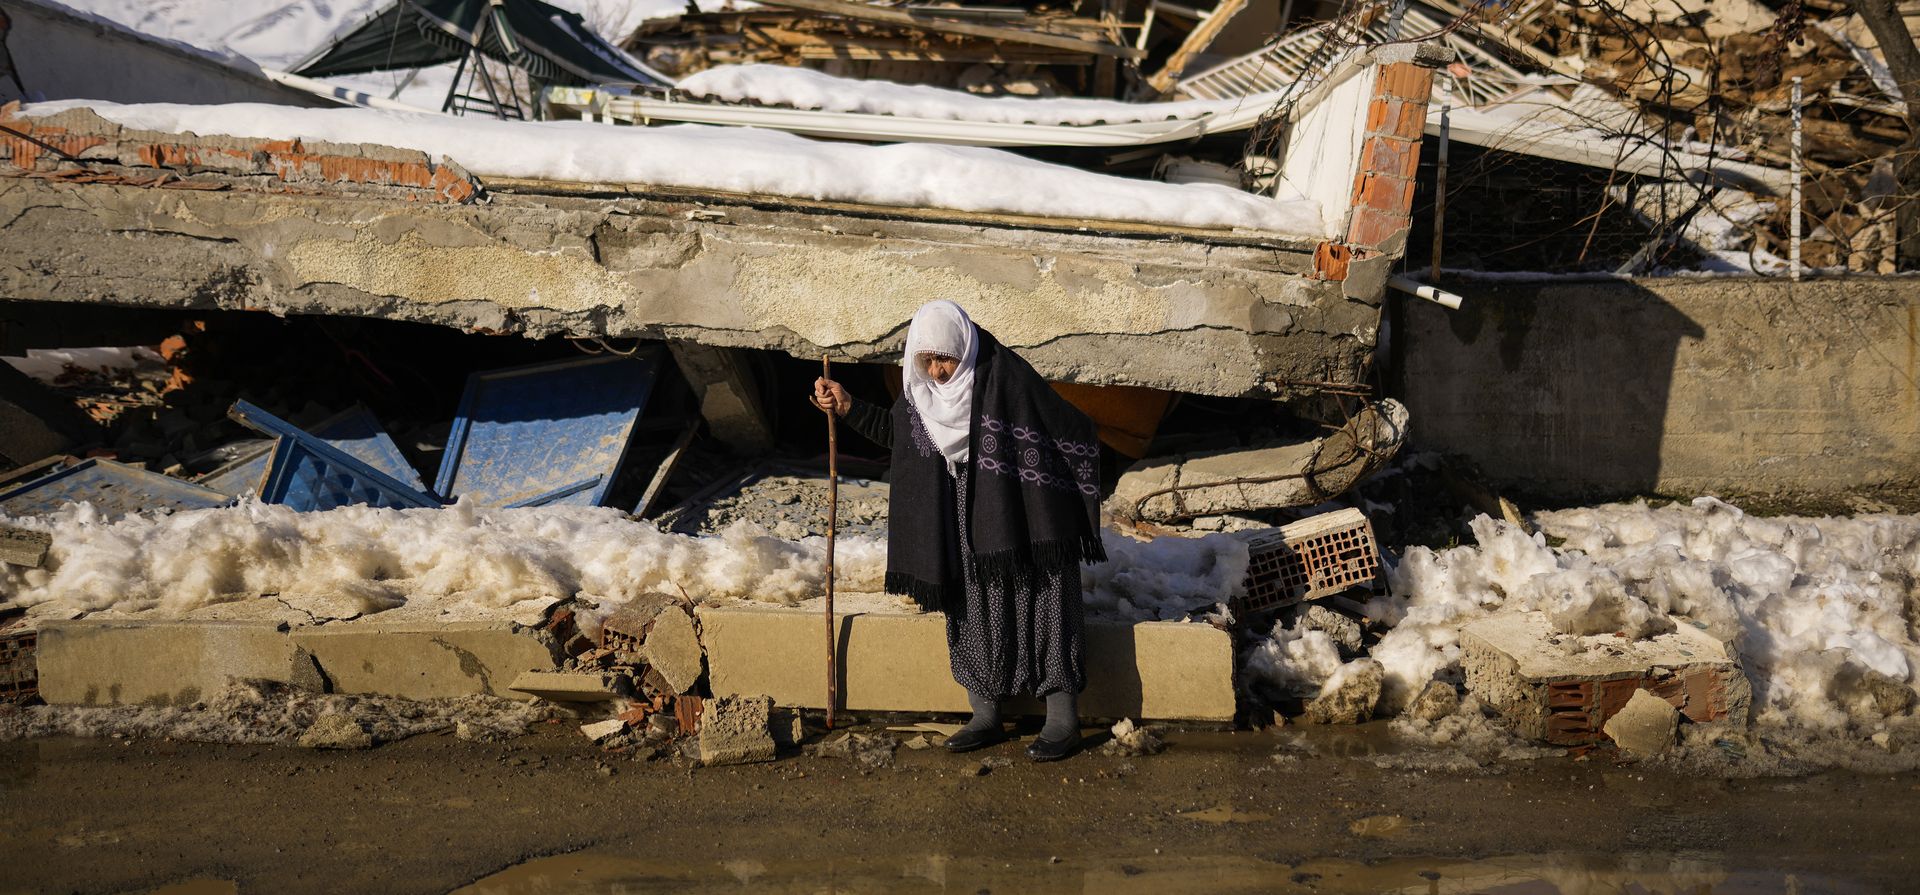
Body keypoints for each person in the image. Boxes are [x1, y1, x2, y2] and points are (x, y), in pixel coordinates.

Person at [813, 300, 1106, 762]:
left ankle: (1062, 719)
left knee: (1044, 594)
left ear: (962, 348)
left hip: (1022, 509)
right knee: (971, 600)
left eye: (943, 358)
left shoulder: (1004, 376)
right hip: (958, 511)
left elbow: (1063, 426)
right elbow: (900, 435)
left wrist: (1060, 489)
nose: (938, 370)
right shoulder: (922, 393)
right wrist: (847, 405)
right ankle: (986, 713)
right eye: (926, 361)